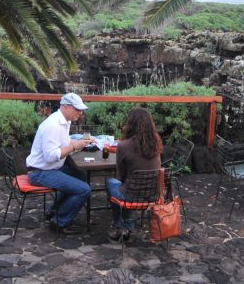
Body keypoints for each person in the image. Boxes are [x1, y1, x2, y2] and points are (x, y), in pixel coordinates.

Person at [26, 92, 93, 234]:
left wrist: (78, 143)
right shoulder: (53, 125)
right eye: (77, 109)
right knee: (84, 189)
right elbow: (51, 156)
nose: (80, 113)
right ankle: (60, 222)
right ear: (66, 107)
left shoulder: (64, 121)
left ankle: (54, 211)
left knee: (81, 177)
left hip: (50, 168)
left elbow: (63, 144)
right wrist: (74, 146)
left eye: (81, 109)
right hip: (40, 172)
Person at [105, 107, 163, 243]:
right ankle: (126, 226)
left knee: (111, 183)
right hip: (153, 195)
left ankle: (120, 225)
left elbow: (121, 176)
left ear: (130, 124)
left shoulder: (123, 146)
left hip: (131, 195)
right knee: (127, 188)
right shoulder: (156, 144)